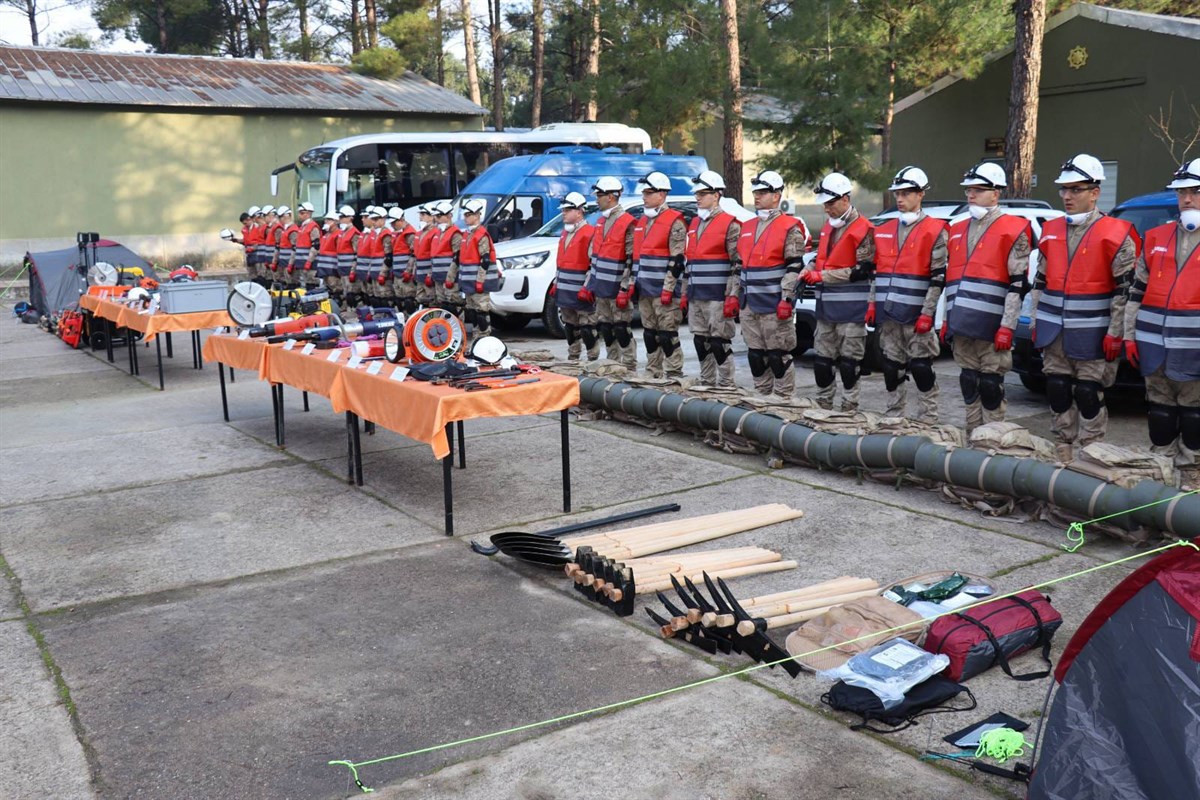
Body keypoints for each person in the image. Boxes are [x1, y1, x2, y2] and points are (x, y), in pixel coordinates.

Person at [1030, 154, 1139, 457]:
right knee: (1058, 389)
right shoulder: (1050, 230)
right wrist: (1036, 323)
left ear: (1094, 192)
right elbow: (1040, 282)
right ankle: (1062, 448)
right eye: (1063, 189)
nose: (1067, 196)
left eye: (1075, 189)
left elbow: (1124, 291)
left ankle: (1092, 452)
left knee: (1089, 393)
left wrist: (1116, 333)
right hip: (1055, 333)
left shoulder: (1116, 234)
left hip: (1093, 334)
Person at [943, 162, 1033, 433]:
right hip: (962, 325)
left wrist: (1008, 325)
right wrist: (948, 319)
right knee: (969, 381)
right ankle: (973, 437)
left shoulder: (1014, 229)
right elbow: (951, 279)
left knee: (991, 385)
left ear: (996, 193)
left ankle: (993, 439)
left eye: (979, 190)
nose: (971, 195)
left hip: (993, 327)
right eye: (969, 190)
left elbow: (1018, 284)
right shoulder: (956, 228)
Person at [1125, 158, 1200, 469]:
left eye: (1195, 191)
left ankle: (1192, 476)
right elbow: (1136, 292)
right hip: (1155, 348)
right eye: (1181, 192)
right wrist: (1129, 335)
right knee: (1160, 413)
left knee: (1194, 416)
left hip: (1195, 353)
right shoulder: (1156, 237)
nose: (1186, 199)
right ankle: (1161, 471)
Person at [872, 166, 947, 422]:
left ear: (920, 195)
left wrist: (928, 314)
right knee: (892, 369)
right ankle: (894, 416)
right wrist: (873, 304)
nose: (900, 199)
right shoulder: (885, 230)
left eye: (905, 194)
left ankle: (928, 418)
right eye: (897, 194)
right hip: (890, 315)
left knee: (921, 368)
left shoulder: (935, 231)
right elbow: (877, 272)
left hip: (917, 318)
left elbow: (939, 278)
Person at [803, 172, 875, 411]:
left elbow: (861, 271)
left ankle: (849, 407)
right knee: (822, 363)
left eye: (831, 203)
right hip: (826, 310)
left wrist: (821, 276)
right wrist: (808, 268)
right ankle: (823, 405)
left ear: (845, 199)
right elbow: (822, 257)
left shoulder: (864, 229)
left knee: (849, 364)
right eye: (825, 203)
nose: (827, 208)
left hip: (852, 312)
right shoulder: (828, 227)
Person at [738, 170, 810, 398]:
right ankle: (761, 400)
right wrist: (733, 296)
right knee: (756, 356)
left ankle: (783, 402)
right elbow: (740, 267)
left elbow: (794, 266)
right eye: (755, 193)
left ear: (776, 195)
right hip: (749, 305)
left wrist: (787, 298)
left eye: (762, 192)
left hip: (774, 305)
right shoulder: (747, 226)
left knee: (778, 356)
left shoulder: (790, 226)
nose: (757, 197)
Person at [684, 170, 742, 387]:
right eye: (696, 194)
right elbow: (689, 262)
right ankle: (707, 380)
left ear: (716, 195)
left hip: (718, 296)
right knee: (700, 341)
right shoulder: (695, 224)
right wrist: (684, 292)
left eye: (702, 193)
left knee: (719, 342)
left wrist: (733, 295)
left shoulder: (730, 224)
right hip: (696, 294)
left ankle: (726, 383)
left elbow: (738, 264)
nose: (697, 197)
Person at [633, 171, 688, 378]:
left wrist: (668, 289)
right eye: (644, 192)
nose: (644, 197)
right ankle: (653, 372)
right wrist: (631, 284)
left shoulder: (674, 221)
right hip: (645, 290)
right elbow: (637, 258)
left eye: (648, 192)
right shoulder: (643, 222)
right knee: (650, 335)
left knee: (668, 336)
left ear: (662, 195)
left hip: (664, 293)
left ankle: (673, 373)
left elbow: (677, 260)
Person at [581, 176, 637, 370]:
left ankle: (629, 366)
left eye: (600, 195)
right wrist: (590, 284)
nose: (597, 199)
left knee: (621, 329)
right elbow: (594, 258)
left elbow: (631, 259)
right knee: (606, 328)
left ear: (611, 197)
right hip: (601, 287)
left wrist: (625, 288)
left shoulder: (627, 222)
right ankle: (613, 365)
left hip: (617, 288)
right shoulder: (601, 222)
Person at [553, 191, 600, 361]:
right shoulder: (565, 233)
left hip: (582, 292)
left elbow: (593, 264)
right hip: (565, 291)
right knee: (570, 327)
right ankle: (573, 357)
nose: (563, 213)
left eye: (567, 210)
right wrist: (556, 283)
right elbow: (561, 262)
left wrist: (588, 288)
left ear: (579, 211)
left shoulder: (589, 233)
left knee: (587, 328)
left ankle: (592, 359)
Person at [451, 198, 500, 336]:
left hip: (479, 283)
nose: (466, 218)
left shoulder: (481, 235)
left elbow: (485, 260)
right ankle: (476, 337)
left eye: (469, 215)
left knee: (481, 313)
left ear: (477, 215)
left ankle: (484, 339)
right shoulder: (467, 234)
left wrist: (480, 281)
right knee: (471, 312)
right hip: (468, 282)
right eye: (465, 215)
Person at [431, 201, 464, 314]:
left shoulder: (455, 234)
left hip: (450, 280)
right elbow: (434, 258)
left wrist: (450, 278)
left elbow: (457, 258)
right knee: (443, 308)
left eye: (439, 216)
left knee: (454, 308)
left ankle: (459, 331)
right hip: (438, 278)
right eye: (436, 216)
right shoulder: (438, 233)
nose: (436, 219)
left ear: (449, 215)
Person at [389, 207, 419, 313]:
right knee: (399, 301)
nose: (392, 225)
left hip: (406, 275)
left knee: (409, 301)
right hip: (398, 273)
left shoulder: (410, 233)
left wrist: (408, 272)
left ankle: (410, 323)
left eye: (394, 223)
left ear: (401, 220)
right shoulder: (398, 233)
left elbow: (413, 254)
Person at [353, 207, 382, 310]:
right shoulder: (363, 234)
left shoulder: (375, 234)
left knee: (375, 296)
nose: (362, 219)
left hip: (370, 271)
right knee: (366, 296)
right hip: (362, 270)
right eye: (362, 217)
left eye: (365, 217)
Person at [333, 205, 361, 310]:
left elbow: (357, 254)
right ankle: (350, 311)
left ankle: (356, 312)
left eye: (343, 217)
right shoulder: (342, 233)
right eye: (340, 217)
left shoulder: (354, 234)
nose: (340, 220)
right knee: (346, 293)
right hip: (343, 270)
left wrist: (353, 271)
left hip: (350, 270)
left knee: (352, 295)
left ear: (350, 218)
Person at [412, 204, 439, 310]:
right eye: (420, 215)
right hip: (420, 274)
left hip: (428, 275)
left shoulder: (435, 232)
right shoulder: (419, 233)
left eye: (423, 215)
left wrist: (430, 274)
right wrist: (414, 271)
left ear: (432, 216)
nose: (420, 217)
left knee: (432, 302)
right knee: (420, 301)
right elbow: (416, 255)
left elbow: (434, 256)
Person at [292, 202, 322, 288]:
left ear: (309, 213)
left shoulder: (313, 227)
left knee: (312, 284)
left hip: (310, 264)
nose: (299, 215)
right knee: (305, 286)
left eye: (302, 213)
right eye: (299, 213)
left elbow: (316, 246)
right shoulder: (302, 227)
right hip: (302, 263)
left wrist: (309, 261)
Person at [314, 210, 340, 295]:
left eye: (329, 220)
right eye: (326, 220)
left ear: (335, 221)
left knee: (336, 291)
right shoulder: (325, 236)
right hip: (324, 271)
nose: (326, 222)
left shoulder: (338, 235)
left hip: (333, 271)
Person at [274, 206, 296, 289]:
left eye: (281, 217)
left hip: (289, 263)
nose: (280, 220)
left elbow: (295, 248)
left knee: (291, 285)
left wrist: (290, 264)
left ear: (287, 216)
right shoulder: (285, 229)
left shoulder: (292, 230)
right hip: (284, 263)